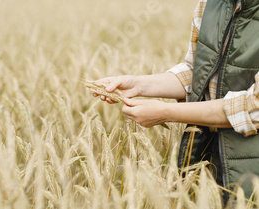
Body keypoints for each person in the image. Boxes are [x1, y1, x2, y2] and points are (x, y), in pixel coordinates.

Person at [93, 0, 259, 202]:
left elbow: (253, 106)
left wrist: (166, 113)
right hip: (212, 159)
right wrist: (138, 85)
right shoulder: (209, 4)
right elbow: (198, 72)